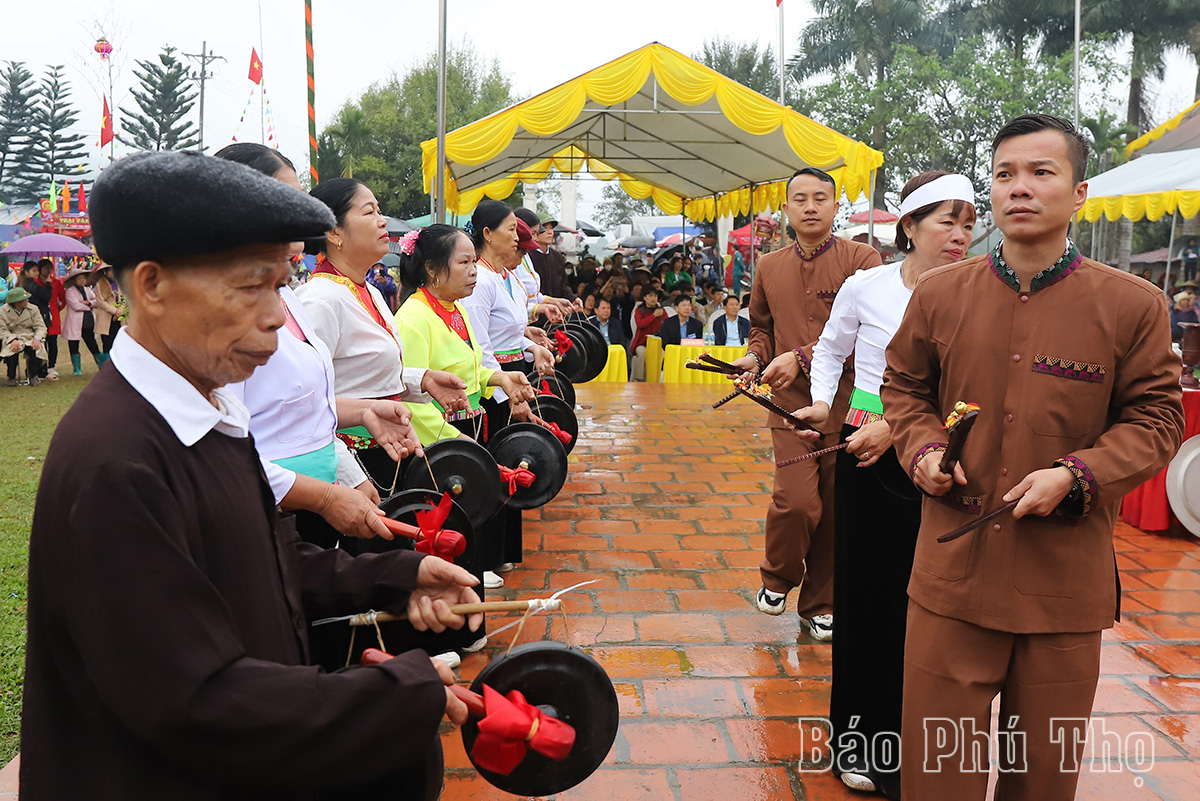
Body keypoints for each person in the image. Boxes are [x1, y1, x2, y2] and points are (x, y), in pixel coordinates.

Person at [22, 149, 483, 801]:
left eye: (281, 284)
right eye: (251, 286)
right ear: (152, 286)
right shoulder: (116, 459)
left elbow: (264, 557)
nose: (275, 315)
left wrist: (393, 574)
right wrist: (401, 690)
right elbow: (194, 698)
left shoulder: (213, 405)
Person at [882, 114, 1184, 801]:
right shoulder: (939, 295)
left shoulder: (1131, 305)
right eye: (1005, 174)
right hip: (950, 581)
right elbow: (903, 387)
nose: (1020, 188)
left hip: (1062, 587)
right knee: (937, 777)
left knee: (1043, 780)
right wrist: (924, 448)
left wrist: (1077, 475)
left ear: (1080, 192)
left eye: (1041, 173)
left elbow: (1159, 416)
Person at [791, 171, 977, 796]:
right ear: (910, 227)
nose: (959, 234)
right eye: (945, 221)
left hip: (945, 460)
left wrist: (898, 428)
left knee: (930, 610)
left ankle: (922, 744)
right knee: (870, 602)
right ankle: (860, 743)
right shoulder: (866, 286)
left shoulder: (978, 292)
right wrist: (825, 405)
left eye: (969, 222)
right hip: (870, 460)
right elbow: (830, 349)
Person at [729, 167, 883, 641]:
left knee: (836, 512)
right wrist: (755, 358)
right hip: (791, 406)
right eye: (800, 199)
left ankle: (821, 603)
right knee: (797, 502)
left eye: (821, 198)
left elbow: (871, 334)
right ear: (787, 209)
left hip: (852, 402)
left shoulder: (863, 259)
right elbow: (761, 328)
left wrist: (800, 356)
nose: (810, 206)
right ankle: (778, 576)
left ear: (836, 207)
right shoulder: (770, 266)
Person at [297, 177, 469, 494]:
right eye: (369, 212)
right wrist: (351, 478)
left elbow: (364, 378)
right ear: (334, 232)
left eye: (380, 210)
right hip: (350, 465)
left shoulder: (371, 293)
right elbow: (303, 403)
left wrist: (423, 380)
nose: (382, 221)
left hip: (388, 449)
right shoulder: (319, 300)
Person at [459, 199, 555, 587]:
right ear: (486, 234)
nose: (518, 237)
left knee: (509, 466)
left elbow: (511, 332)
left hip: (508, 375)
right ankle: (480, 558)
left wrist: (530, 344)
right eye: (511, 229)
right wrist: (504, 391)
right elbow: (480, 347)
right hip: (491, 382)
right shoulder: (480, 281)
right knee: (489, 471)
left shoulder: (501, 277)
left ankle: (499, 552)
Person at [0, 286, 47, 386]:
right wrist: (12, 339)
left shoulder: (33, 309)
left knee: (36, 348)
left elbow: (40, 326)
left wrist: (37, 338)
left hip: (30, 336)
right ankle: (11, 376)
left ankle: (33, 375)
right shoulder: (3, 311)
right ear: (17, 301)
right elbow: (2, 330)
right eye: (24, 299)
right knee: (12, 349)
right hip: (12, 336)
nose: (27, 300)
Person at [62, 267, 102, 375]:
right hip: (75, 322)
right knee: (74, 345)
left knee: (92, 344)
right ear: (74, 280)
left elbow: (97, 301)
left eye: (84, 278)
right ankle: (77, 369)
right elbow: (75, 305)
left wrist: (87, 303)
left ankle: (101, 365)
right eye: (80, 279)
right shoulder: (70, 291)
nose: (82, 281)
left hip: (88, 321)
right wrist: (89, 305)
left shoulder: (87, 289)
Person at [36, 260, 64, 379]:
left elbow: (63, 298)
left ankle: (51, 365)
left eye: (50, 268)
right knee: (41, 342)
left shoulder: (56, 282)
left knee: (53, 342)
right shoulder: (35, 283)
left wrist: (58, 308)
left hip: (53, 314)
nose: (48, 271)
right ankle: (41, 367)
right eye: (45, 268)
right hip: (39, 314)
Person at [631, 287, 666, 381]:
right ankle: (638, 379)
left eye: (655, 296)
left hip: (658, 343)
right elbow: (640, 324)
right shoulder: (640, 310)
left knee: (663, 354)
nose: (653, 298)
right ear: (645, 298)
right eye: (650, 296)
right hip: (642, 342)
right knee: (642, 352)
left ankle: (657, 378)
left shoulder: (661, 310)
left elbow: (666, 325)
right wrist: (654, 315)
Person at [89, 264, 122, 354]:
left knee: (119, 340)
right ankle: (107, 363)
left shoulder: (119, 282)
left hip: (119, 316)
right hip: (106, 316)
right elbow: (101, 302)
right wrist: (115, 311)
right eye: (111, 271)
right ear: (106, 272)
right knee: (107, 342)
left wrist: (121, 310)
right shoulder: (100, 283)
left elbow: (123, 297)